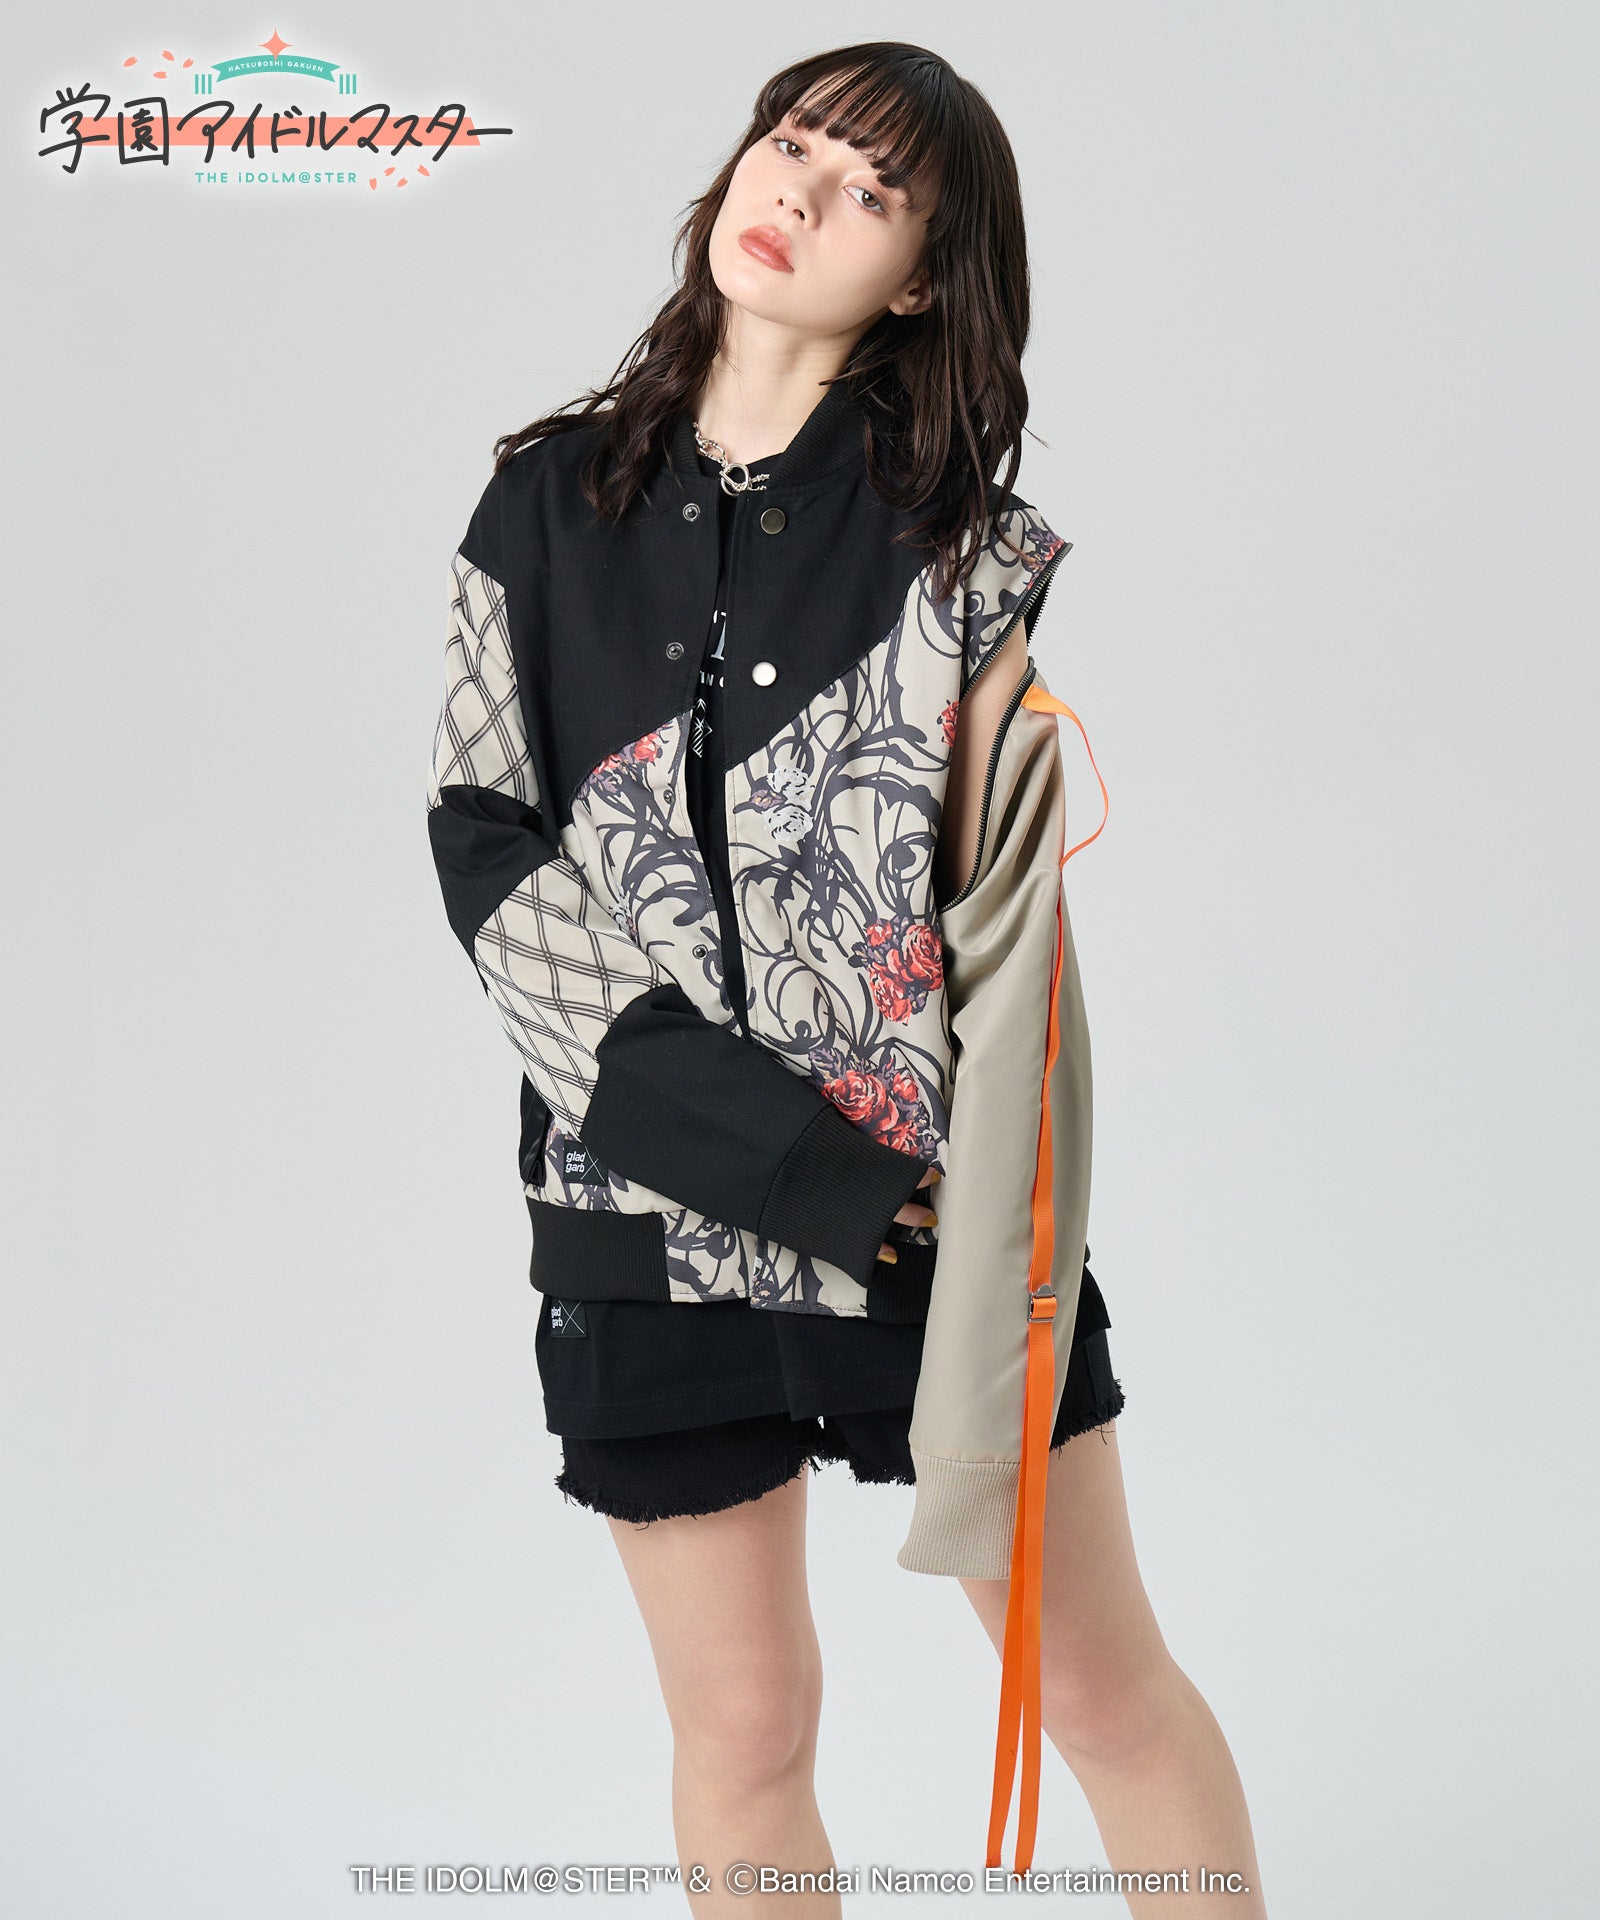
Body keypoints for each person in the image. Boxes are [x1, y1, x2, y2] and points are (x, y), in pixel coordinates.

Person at [428, 39, 1268, 1917]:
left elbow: (995, 934)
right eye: (794, 139)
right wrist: (793, 1166)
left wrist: (971, 1206)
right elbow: (488, 852)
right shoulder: (540, 509)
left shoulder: (965, 558)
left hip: (938, 1223)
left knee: (1096, 1690)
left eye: (873, 189)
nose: (801, 191)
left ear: (919, 280)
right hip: (641, 1219)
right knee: (746, 1733)